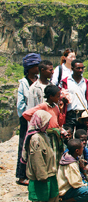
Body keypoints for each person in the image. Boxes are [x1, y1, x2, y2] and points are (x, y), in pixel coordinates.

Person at [23, 85, 65, 168]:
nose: (59, 98)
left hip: (55, 135)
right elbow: (26, 114)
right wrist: (38, 124)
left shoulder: (56, 107)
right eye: (57, 96)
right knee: (48, 157)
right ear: (51, 96)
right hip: (47, 135)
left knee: (56, 157)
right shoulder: (43, 106)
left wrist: (61, 110)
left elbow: (60, 123)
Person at [22, 110, 59, 202]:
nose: (47, 125)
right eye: (46, 122)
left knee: (53, 196)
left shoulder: (43, 135)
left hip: (49, 173)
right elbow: (37, 159)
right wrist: (42, 175)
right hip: (42, 177)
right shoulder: (36, 138)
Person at [16, 53, 41, 186]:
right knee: (24, 145)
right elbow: (20, 105)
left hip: (39, 119)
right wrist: (30, 114)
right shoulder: (24, 84)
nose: (38, 68)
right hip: (27, 119)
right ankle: (21, 175)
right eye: (36, 66)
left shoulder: (39, 81)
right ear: (30, 68)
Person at [60, 59, 88, 130]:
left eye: (82, 68)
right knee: (68, 135)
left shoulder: (86, 82)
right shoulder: (65, 82)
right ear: (72, 68)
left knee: (82, 135)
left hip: (83, 113)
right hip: (70, 113)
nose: (80, 70)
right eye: (78, 68)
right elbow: (60, 96)